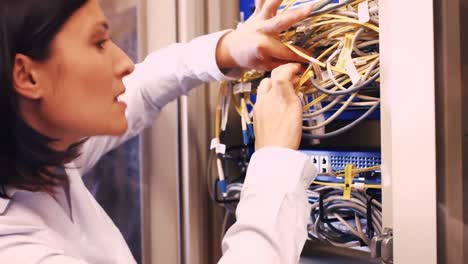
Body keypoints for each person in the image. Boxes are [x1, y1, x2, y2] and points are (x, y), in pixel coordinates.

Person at [0, 0, 317, 263]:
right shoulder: (15, 250)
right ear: (28, 76)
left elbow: (144, 87)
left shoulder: (40, 158)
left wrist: (229, 48)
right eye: (98, 43)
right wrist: (273, 162)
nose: (125, 62)